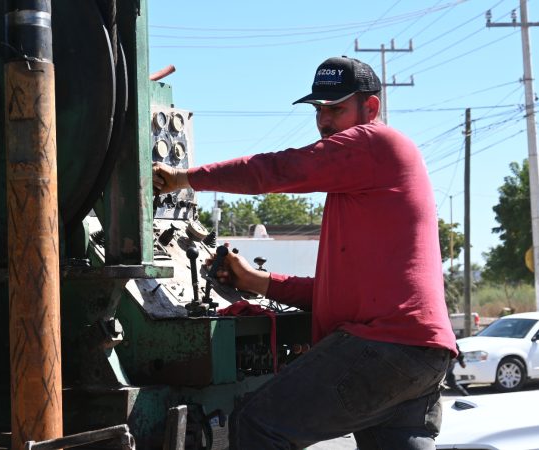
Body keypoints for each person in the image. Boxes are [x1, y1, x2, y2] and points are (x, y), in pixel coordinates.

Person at [153, 56, 458, 450]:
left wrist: (184, 178)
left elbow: (279, 170)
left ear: (371, 108)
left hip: (384, 346)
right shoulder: (361, 187)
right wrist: (259, 282)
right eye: (318, 110)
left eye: (336, 109)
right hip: (420, 357)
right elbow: (340, 294)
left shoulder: (377, 143)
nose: (324, 121)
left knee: (259, 425)